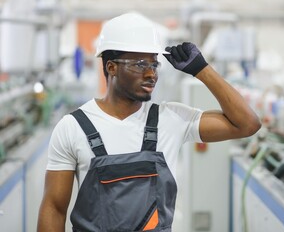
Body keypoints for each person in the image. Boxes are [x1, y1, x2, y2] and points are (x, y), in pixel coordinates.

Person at [37, 12, 261, 232]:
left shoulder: (171, 119)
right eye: (140, 65)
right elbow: (54, 209)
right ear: (111, 67)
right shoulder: (73, 127)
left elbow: (247, 124)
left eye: (154, 65)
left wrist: (202, 70)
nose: (151, 74)